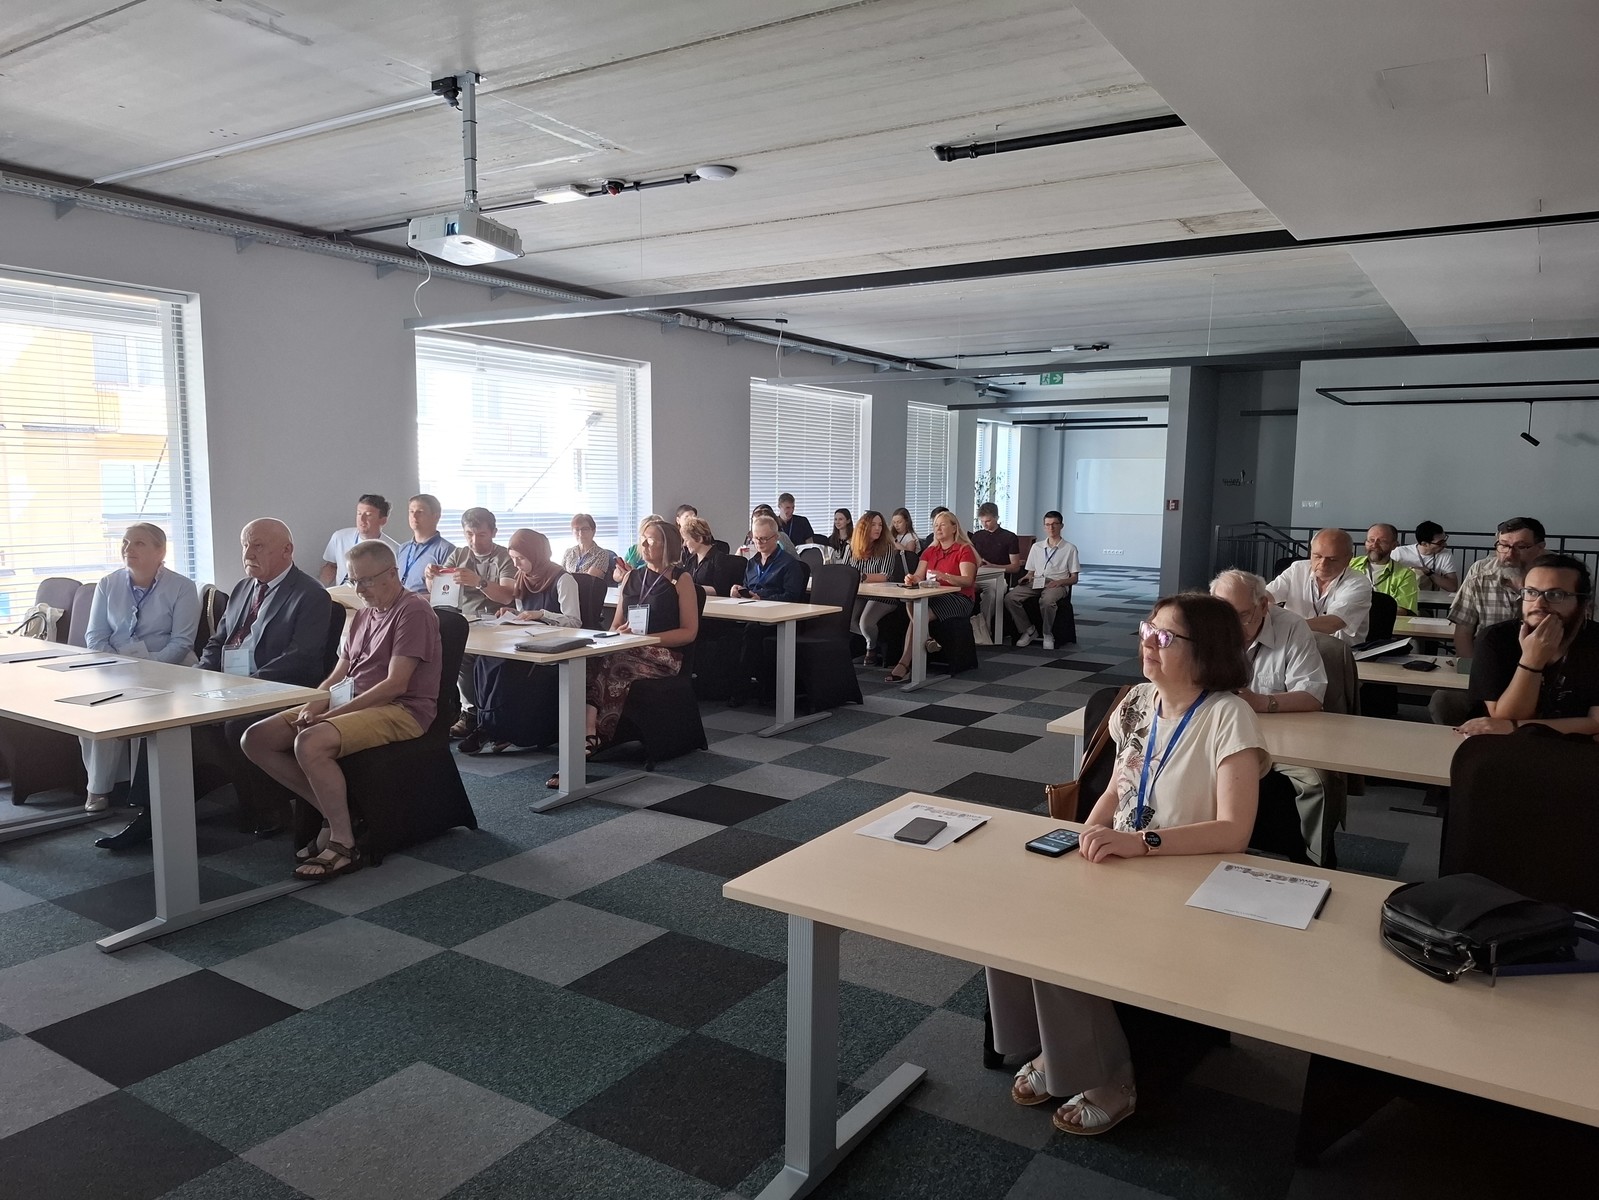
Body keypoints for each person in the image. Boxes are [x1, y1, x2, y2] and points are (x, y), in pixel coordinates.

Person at [991, 592, 1265, 1137]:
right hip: (1123, 856)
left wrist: (1142, 844)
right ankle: (1048, 1046)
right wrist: (1084, 834)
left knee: (1065, 937)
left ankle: (1112, 1074)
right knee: (1012, 915)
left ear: (1205, 650)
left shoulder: (1228, 717)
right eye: (1147, 630)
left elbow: (1235, 831)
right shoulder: (1139, 701)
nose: (1147, 644)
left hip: (1184, 871)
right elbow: (1120, 785)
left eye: (1164, 637)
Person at [97, 519, 333, 847]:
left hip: (276, 689)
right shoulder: (243, 588)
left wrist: (246, 685)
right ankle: (152, 814)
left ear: (287, 550)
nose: (248, 554)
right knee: (167, 714)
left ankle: (266, 807)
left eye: (258, 546)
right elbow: (217, 642)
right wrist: (201, 676)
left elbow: (301, 658)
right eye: (245, 545)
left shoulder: (310, 594)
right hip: (229, 684)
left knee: (236, 725)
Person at [241, 540, 441, 881]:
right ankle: (338, 815)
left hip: (401, 708)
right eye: (354, 580)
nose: (359, 589)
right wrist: (314, 703)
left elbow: (395, 684)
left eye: (367, 580)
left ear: (392, 574)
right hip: (351, 702)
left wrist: (330, 716)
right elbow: (339, 674)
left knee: (310, 741)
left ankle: (344, 842)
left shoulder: (413, 611)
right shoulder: (362, 614)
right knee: (256, 738)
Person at [550, 516, 699, 788]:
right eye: (643, 539)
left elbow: (689, 632)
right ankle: (587, 736)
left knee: (614, 664)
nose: (644, 544)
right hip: (627, 649)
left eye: (650, 540)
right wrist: (622, 633)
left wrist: (647, 639)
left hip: (664, 655)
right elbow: (616, 625)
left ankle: (588, 738)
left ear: (667, 545)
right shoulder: (631, 577)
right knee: (592, 661)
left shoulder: (681, 579)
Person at [1211, 569, 1334, 864]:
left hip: (1276, 735)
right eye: (1224, 615)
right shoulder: (1205, 625)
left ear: (1263, 605)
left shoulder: (1291, 628)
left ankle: (1313, 859)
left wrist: (1260, 702)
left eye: (1242, 616)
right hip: (1218, 731)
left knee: (1315, 781)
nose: (1231, 626)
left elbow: (1312, 696)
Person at [80, 523, 201, 813]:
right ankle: (98, 787)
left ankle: (139, 789)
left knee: (144, 705)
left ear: (161, 551)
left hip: (171, 667)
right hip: (117, 666)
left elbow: (182, 641)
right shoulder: (108, 584)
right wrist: (120, 665)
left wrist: (150, 669)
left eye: (139, 543)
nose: (128, 549)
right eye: (125, 542)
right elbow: (95, 637)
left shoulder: (182, 587)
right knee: (95, 707)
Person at [463, 529, 583, 755]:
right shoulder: (522, 578)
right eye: (513, 558)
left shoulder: (563, 579)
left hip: (553, 647)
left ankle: (495, 727)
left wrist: (542, 614)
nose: (516, 564)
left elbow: (574, 622)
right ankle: (487, 724)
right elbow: (524, 613)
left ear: (536, 554)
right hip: (525, 641)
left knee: (503, 667)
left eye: (521, 558)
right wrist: (512, 614)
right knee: (485, 660)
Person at [1457, 553, 1599, 738]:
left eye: (1555, 594)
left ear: (1583, 603)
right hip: (1504, 747)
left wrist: (1515, 726)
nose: (1539, 604)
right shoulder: (1495, 639)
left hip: (1576, 748)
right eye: (1531, 592)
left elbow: (1597, 723)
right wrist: (1532, 659)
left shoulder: (1594, 641)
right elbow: (1505, 716)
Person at [425, 508, 517, 739]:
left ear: (494, 532)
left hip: (495, 622)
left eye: (481, 535)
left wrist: (479, 582)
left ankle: (477, 713)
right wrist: (431, 577)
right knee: (442, 651)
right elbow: (438, 592)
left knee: (468, 656)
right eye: (469, 534)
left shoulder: (504, 557)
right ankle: (459, 711)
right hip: (463, 619)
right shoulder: (459, 554)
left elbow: (507, 596)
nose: (475, 541)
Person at [886, 510, 977, 684]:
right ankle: (926, 638)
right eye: (935, 525)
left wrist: (945, 576)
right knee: (911, 603)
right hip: (933, 596)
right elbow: (919, 576)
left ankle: (905, 663)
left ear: (954, 528)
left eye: (942, 525)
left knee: (919, 614)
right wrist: (912, 579)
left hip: (959, 598)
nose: (938, 529)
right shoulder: (930, 551)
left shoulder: (964, 550)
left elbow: (967, 580)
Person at [1448, 517, 1546, 658]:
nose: (1510, 555)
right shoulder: (1480, 577)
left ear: (1540, 548)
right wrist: (1471, 668)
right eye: (1503, 545)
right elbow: (1463, 633)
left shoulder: (1555, 579)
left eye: (1521, 547)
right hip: (1488, 661)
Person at [1266, 528, 1372, 644]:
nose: (1323, 564)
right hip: (1294, 645)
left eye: (1332, 559)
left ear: (1348, 559)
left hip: (1337, 650)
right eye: (1317, 556)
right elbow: (1267, 594)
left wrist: (1288, 626)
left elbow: (1334, 623)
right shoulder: (1298, 569)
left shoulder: (1359, 583)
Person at [1004, 512, 1079, 651]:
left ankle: (1047, 633)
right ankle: (1028, 629)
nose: (1051, 528)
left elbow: (1074, 578)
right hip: (1036, 581)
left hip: (1057, 583)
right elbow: (1030, 572)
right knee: (1010, 598)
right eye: (1047, 525)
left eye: (1055, 524)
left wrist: (1061, 582)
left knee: (1047, 601)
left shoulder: (1070, 548)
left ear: (1061, 526)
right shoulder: (1037, 547)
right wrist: (1027, 577)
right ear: (1044, 527)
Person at [845, 509, 899, 665]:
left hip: (883, 594)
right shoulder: (851, 547)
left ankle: (871, 648)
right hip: (860, 593)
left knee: (865, 623)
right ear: (864, 528)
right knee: (846, 619)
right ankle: (874, 639)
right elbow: (846, 570)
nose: (878, 528)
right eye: (873, 525)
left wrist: (861, 576)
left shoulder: (887, 547)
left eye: (880, 525)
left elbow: (885, 575)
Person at [320, 494, 399, 586]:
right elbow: (330, 567)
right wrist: (322, 589)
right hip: (340, 593)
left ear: (383, 520)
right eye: (359, 513)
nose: (362, 519)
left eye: (368, 515)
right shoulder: (340, 537)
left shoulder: (394, 550)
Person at [732, 514, 808, 602]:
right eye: (756, 538)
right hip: (750, 606)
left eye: (764, 538)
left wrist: (762, 600)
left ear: (776, 537)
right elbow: (747, 588)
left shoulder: (789, 564)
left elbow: (791, 597)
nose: (758, 542)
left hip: (775, 608)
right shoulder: (752, 563)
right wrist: (739, 591)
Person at [1350, 523, 1419, 615]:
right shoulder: (1350, 565)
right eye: (1371, 540)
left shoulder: (1405, 575)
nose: (1374, 545)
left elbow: (1403, 610)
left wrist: (1364, 613)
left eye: (1382, 541)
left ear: (1394, 545)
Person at [397, 493, 454, 593]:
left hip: (424, 602)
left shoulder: (446, 550)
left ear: (436, 516)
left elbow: (446, 593)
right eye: (411, 511)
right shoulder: (402, 548)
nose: (414, 516)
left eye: (420, 512)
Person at [1390, 521, 1459, 592]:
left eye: (1445, 539)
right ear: (1424, 544)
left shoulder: (1445, 553)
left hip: (1431, 597)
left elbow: (1452, 587)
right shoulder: (1399, 553)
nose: (1445, 544)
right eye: (1440, 543)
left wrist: (1429, 572)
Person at [683, 516, 741, 596]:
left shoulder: (719, 559)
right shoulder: (691, 559)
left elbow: (720, 590)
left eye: (686, 540)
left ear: (699, 539)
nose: (684, 544)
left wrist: (692, 588)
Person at [562, 512, 619, 579]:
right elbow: (560, 576)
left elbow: (589, 581)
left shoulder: (601, 554)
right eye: (577, 529)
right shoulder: (568, 552)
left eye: (585, 529)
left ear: (593, 531)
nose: (580, 533)